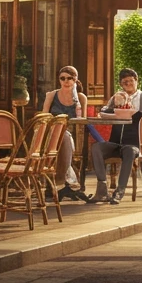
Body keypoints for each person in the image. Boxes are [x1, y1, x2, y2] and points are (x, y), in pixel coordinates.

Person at [87, 68, 142, 205]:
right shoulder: (117, 97)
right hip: (116, 142)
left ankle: (120, 190)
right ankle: (102, 189)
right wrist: (113, 105)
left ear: (136, 82)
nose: (129, 84)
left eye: (131, 81)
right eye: (125, 82)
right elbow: (103, 112)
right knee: (96, 147)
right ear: (121, 84)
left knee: (129, 151)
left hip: (133, 143)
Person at [40, 65, 87, 201]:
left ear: (76, 79)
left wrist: (76, 104)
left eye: (70, 78)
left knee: (66, 136)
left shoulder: (80, 98)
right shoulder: (52, 95)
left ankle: (58, 183)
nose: (66, 81)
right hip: (51, 133)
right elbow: (44, 117)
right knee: (63, 135)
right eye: (62, 78)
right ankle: (60, 182)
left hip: (73, 134)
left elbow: (82, 120)